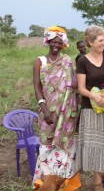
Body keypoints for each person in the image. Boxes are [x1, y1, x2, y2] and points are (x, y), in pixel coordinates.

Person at [32, 26, 80, 191]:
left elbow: (74, 87)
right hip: (48, 114)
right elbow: (37, 86)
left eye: (60, 42)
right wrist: (44, 109)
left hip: (66, 115)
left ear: (63, 45)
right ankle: (46, 185)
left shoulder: (67, 61)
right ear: (48, 41)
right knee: (46, 148)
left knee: (66, 151)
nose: (56, 44)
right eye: (54, 41)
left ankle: (63, 185)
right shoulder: (40, 61)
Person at [76, 25, 104, 191]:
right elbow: (81, 88)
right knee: (96, 143)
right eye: (100, 40)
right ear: (91, 42)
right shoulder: (83, 61)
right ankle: (97, 181)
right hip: (91, 108)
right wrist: (93, 96)